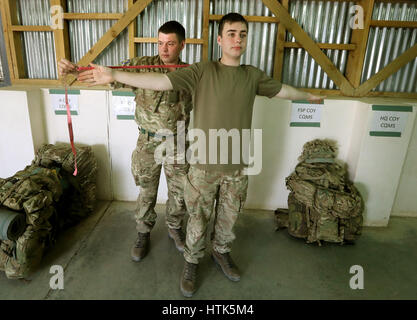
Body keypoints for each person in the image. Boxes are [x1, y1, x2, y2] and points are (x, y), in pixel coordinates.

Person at [77, 13, 324, 297]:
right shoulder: (202, 70)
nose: (237, 39)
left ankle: (221, 252)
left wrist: (307, 96)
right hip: (204, 164)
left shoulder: (252, 75)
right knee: (197, 217)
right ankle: (192, 261)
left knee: (229, 217)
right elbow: (160, 82)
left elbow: (281, 90)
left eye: (242, 34)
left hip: (237, 165)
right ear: (219, 39)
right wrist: (114, 74)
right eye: (231, 33)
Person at [58, 21, 193, 262]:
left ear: (182, 45)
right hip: (148, 142)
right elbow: (104, 74)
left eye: (170, 44)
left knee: (179, 192)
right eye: (160, 43)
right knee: (146, 191)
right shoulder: (142, 67)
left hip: (178, 143)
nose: (164, 49)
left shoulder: (193, 73)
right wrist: (74, 71)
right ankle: (143, 232)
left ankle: (175, 228)